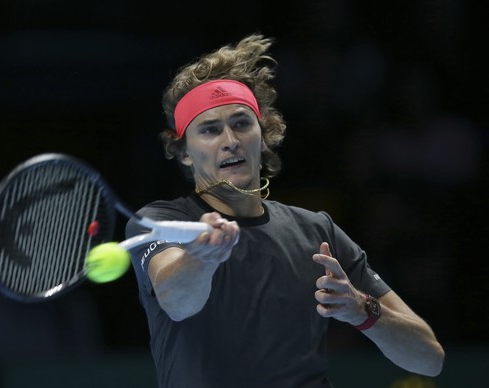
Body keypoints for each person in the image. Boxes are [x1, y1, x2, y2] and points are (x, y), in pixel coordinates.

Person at [125, 34, 444, 388]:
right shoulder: (160, 222)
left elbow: (429, 358)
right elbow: (177, 302)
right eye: (210, 130)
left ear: (263, 136)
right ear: (184, 152)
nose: (230, 139)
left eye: (242, 123)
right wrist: (203, 258)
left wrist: (361, 308)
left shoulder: (316, 231)